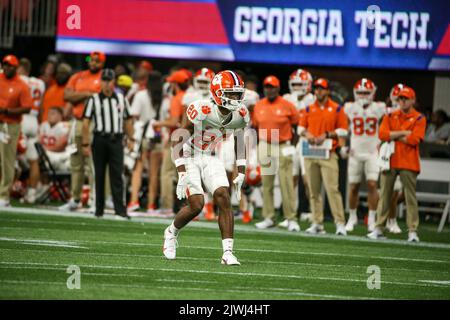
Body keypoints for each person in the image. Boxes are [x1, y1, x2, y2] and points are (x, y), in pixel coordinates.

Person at [162, 70, 249, 265]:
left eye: (237, 93)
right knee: (197, 205)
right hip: (188, 155)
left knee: (223, 196)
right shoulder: (201, 109)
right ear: (218, 92)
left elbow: (240, 141)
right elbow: (177, 138)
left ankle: (227, 252)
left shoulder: (240, 114)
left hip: (209, 155)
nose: (236, 98)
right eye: (231, 93)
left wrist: (241, 171)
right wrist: (182, 171)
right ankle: (171, 232)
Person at [368, 86, 426, 242]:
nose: (402, 101)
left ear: (413, 100)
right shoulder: (390, 115)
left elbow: (414, 139)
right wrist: (404, 133)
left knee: (410, 197)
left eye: (405, 98)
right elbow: (382, 134)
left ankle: (412, 231)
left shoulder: (420, 118)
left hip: (409, 162)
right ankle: (379, 228)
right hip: (390, 160)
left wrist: (393, 135)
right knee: (385, 195)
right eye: (400, 98)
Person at [298, 78, 348, 235]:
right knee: (313, 190)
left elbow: (344, 131)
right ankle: (317, 222)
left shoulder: (337, 109)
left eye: (322, 88)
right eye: (317, 88)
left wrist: (326, 134)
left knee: (332, 189)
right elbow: (300, 128)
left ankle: (340, 223)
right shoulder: (308, 109)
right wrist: (308, 134)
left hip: (328, 153)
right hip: (311, 152)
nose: (318, 91)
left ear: (327, 91)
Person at [81, 69, 134, 219]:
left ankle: (120, 211)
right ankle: (98, 209)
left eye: (109, 81)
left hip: (116, 140)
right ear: (101, 82)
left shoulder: (121, 99)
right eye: (104, 80)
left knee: (117, 175)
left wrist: (131, 139)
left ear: (113, 82)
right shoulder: (93, 99)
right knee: (99, 174)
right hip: (100, 139)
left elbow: (128, 119)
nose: (107, 83)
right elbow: (86, 122)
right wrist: (85, 143)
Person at [253, 75, 300, 232]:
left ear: (278, 88)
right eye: (267, 86)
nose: (269, 89)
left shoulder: (288, 105)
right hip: (265, 144)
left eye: (272, 86)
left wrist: (292, 146)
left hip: (282, 144)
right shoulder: (259, 105)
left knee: (286, 183)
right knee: (267, 183)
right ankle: (269, 217)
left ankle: (291, 218)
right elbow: (255, 126)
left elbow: (297, 127)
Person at [60, 51, 104, 211]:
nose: (93, 63)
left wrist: (77, 95)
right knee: (75, 162)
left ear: (102, 63)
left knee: (92, 163)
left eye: (97, 61)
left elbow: (101, 98)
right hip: (77, 121)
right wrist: (86, 94)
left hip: (94, 123)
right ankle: (75, 198)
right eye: (91, 60)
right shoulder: (78, 76)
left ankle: (94, 199)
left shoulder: (103, 78)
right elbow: (67, 96)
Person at [344, 78, 386, 232]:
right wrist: (343, 145)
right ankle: (352, 216)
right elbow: (344, 127)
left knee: (372, 184)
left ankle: (372, 218)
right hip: (355, 152)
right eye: (360, 92)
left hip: (372, 152)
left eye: (365, 93)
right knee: (353, 186)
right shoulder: (349, 107)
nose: (362, 96)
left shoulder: (379, 108)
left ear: (372, 93)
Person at [153, 69, 189, 216]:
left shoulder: (177, 98)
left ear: (176, 84)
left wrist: (158, 124)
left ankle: (167, 206)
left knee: (167, 173)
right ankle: (189, 206)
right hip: (190, 139)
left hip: (176, 138)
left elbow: (174, 121)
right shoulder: (190, 97)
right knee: (185, 173)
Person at [181, 67, 216, 220]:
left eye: (205, 81)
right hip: (192, 138)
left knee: (209, 174)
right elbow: (184, 119)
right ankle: (195, 206)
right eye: (200, 81)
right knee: (193, 173)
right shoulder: (190, 95)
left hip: (209, 138)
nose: (202, 84)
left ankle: (209, 207)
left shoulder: (214, 97)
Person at [127, 71, 163, 215]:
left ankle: (134, 201)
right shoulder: (162, 97)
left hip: (142, 134)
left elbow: (134, 116)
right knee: (154, 173)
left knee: (137, 170)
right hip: (157, 134)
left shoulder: (141, 95)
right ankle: (151, 205)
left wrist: (130, 137)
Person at [283, 68, 315, 223]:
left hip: (306, 141)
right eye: (294, 85)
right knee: (291, 179)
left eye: (299, 84)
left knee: (308, 179)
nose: (296, 88)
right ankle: (290, 214)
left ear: (307, 85)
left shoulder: (313, 100)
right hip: (290, 141)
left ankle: (314, 213)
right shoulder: (286, 99)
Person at [0, 55, 33, 207]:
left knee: (7, 160)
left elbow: (27, 107)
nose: (7, 67)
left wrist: (7, 110)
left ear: (16, 67)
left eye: (11, 65)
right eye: (5, 65)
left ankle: (4, 196)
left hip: (10, 125)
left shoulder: (21, 85)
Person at [17, 58, 46, 204]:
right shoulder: (40, 83)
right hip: (33, 121)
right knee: (33, 160)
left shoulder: (18, 80)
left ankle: (6, 190)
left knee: (8, 157)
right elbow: (40, 107)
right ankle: (32, 193)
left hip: (20, 119)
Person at [39, 107, 71, 171]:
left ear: (60, 116)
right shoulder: (43, 125)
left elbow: (61, 146)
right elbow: (38, 141)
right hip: (46, 154)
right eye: (49, 113)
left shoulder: (64, 126)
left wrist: (44, 149)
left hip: (60, 155)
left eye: (53, 113)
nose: (49, 115)